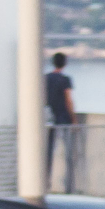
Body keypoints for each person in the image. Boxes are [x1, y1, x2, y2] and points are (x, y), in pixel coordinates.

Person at [43, 52, 80, 194]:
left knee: (48, 152)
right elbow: (68, 100)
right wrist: (74, 119)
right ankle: (68, 187)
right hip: (63, 118)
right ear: (64, 63)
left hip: (49, 117)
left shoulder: (46, 78)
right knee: (68, 153)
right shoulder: (65, 80)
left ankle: (45, 184)